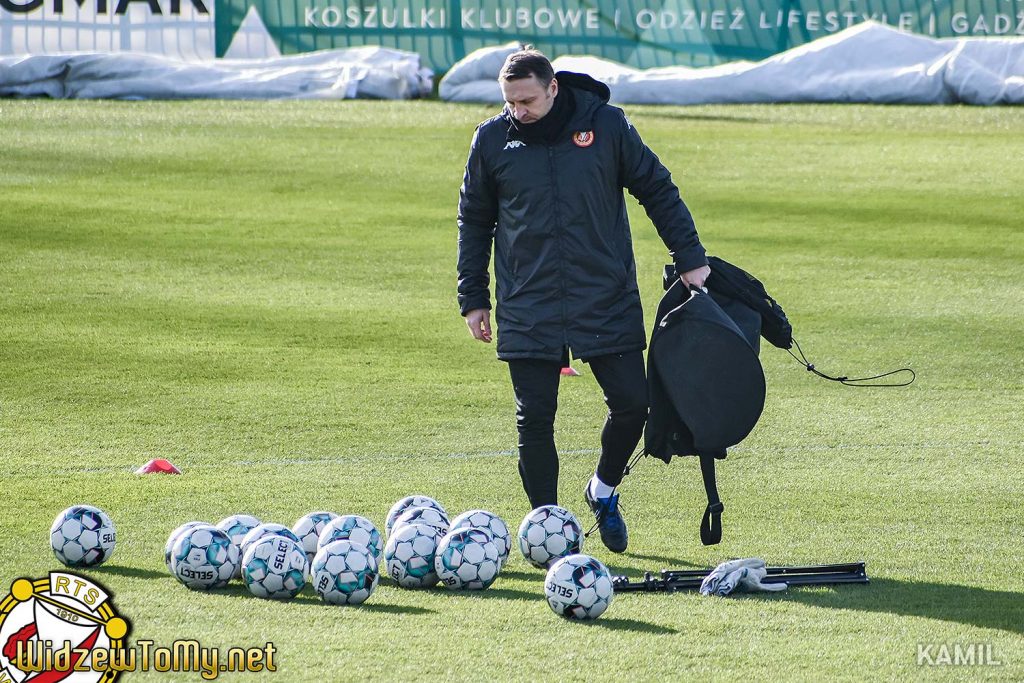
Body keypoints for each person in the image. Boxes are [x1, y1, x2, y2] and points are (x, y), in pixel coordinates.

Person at [456, 47, 710, 553]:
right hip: (528, 298)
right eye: (509, 102)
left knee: (633, 404)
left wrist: (689, 255)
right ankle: (549, 531)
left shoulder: (607, 126)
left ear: (553, 88)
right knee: (534, 417)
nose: (518, 111)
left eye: (527, 100)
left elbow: (657, 189)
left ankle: (603, 490)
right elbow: (475, 221)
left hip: (604, 292)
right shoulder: (491, 139)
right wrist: (473, 296)